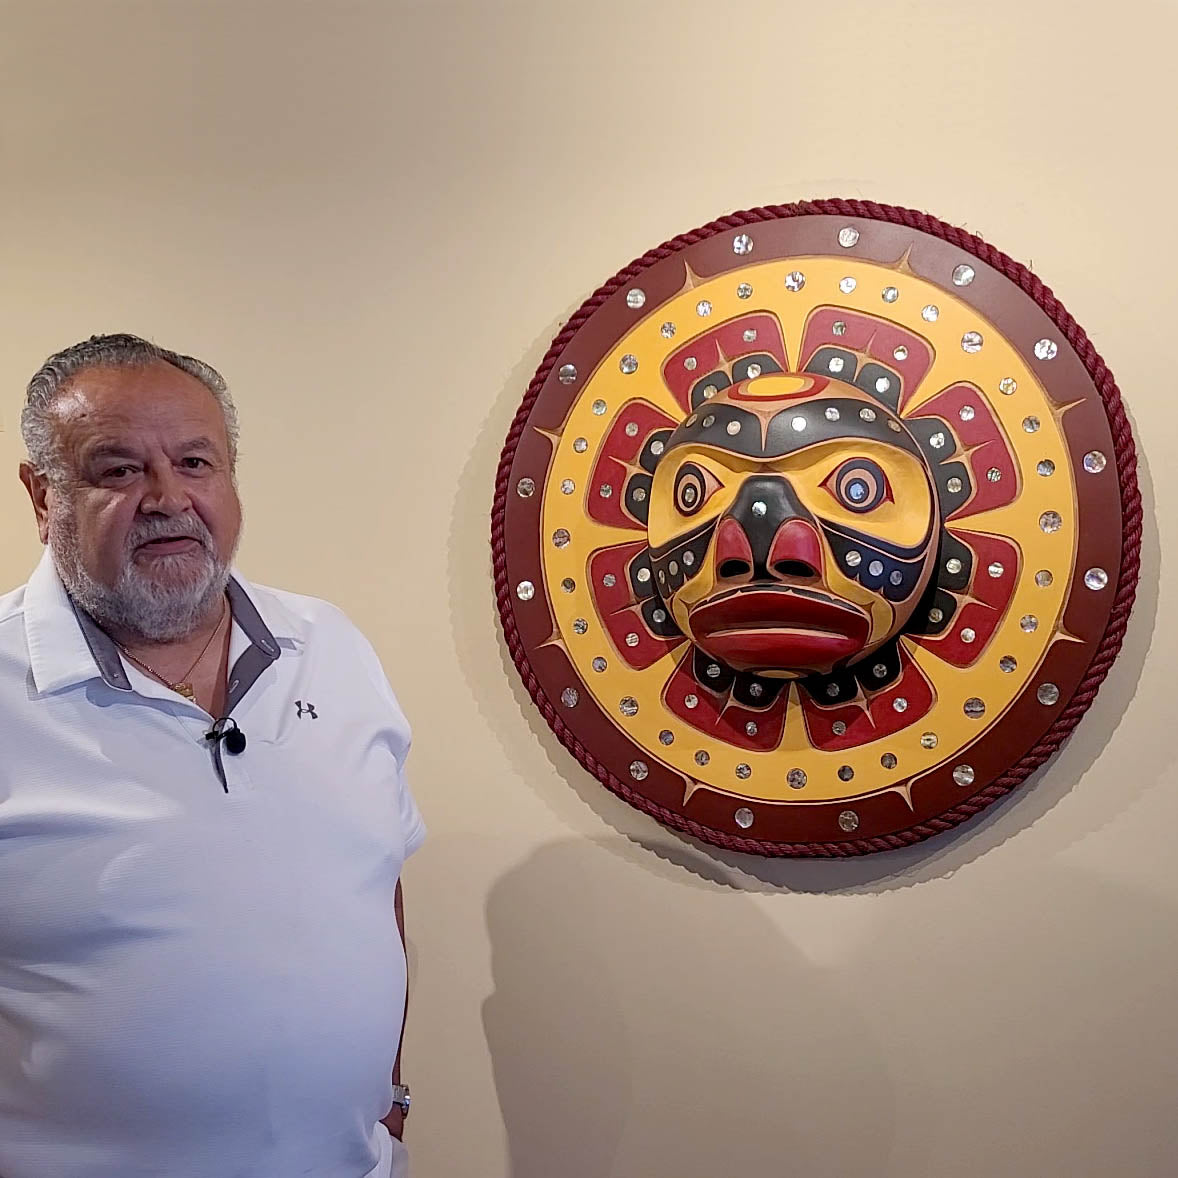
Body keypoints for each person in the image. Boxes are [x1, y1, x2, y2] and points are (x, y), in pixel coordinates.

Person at [0, 334, 425, 1178]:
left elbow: (377, 879)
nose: (168, 498)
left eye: (196, 463)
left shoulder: (331, 645)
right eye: (118, 470)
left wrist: (392, 1092)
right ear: (42, 496)